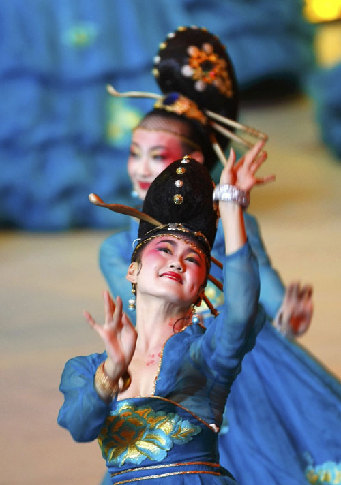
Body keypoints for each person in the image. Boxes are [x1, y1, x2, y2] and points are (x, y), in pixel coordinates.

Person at [96, 27, 341, 485]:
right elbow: (143, 313)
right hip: (178, 375)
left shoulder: (232, 226)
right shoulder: (117, 248)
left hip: (248, 361)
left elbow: (263, 284)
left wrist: (285, 312)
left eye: (159, 156)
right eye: (136, 154)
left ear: (195, 165)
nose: (142, 169)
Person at [58, 147, 271, 484]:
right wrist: (112, 370)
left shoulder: (205, 353)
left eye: (193, 260)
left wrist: (231, 207)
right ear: (132, 270)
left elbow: (242, 311)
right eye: (165, 250)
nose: (177, 262)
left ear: (200, 290)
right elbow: (79, 427)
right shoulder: (86, 369)